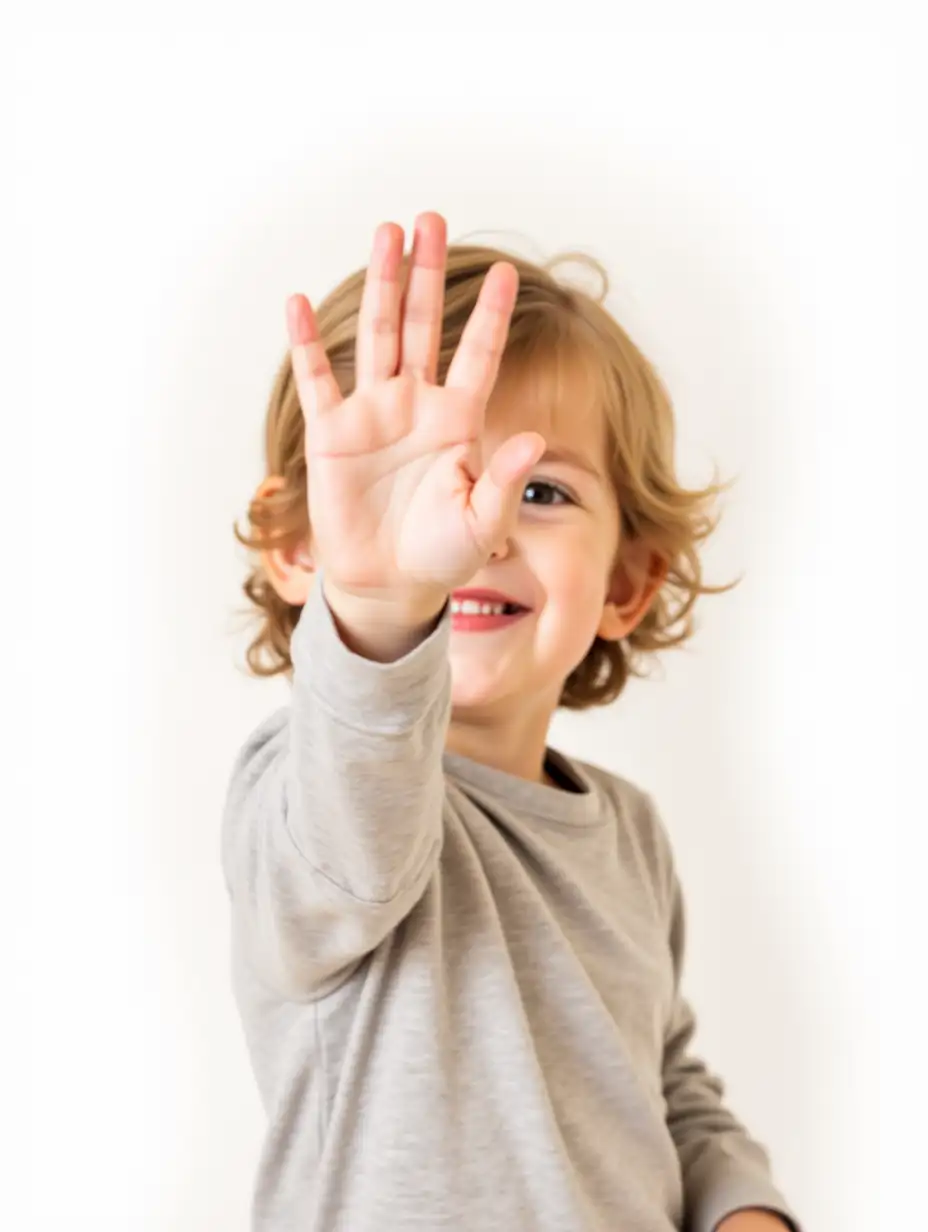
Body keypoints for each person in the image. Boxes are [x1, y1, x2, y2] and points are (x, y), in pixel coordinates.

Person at [221, 211, 801, 1232]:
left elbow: (662, 1081)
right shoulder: (305, 791)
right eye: (412, 490)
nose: (472, 530)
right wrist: (379, 595)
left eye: (538, 489)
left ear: (626, 582)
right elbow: (343, 848)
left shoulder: (628, 832)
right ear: (303, 549)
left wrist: (739, 1205)